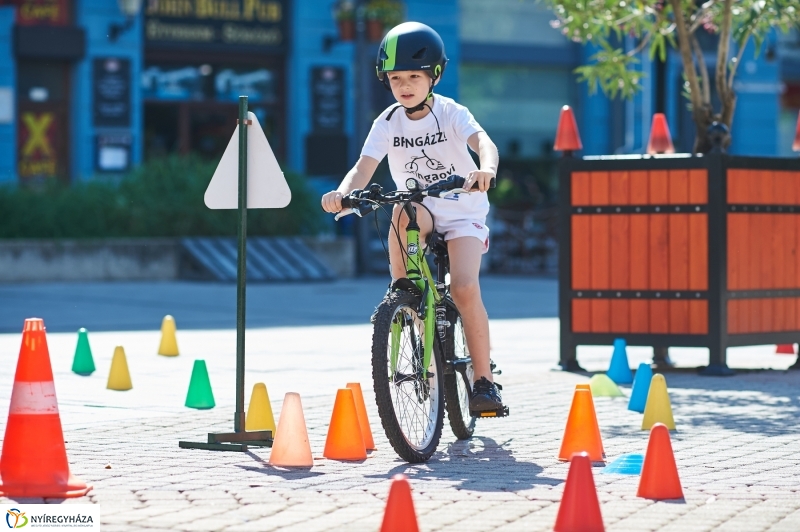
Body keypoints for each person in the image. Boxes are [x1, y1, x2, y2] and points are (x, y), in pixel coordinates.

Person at [320, 22, 503, 412]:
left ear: (434, 76)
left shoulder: (451, 112)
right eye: (395, 77)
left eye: (414, 76)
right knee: (403, 209)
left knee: (464, 288)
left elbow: (482, 142)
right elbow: (363, 167)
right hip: (421, 207)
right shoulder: (387, 122)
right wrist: (344, 194)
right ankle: (402, 291)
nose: (404, 85)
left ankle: (484, 380)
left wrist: (485, 168)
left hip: (462, 211)